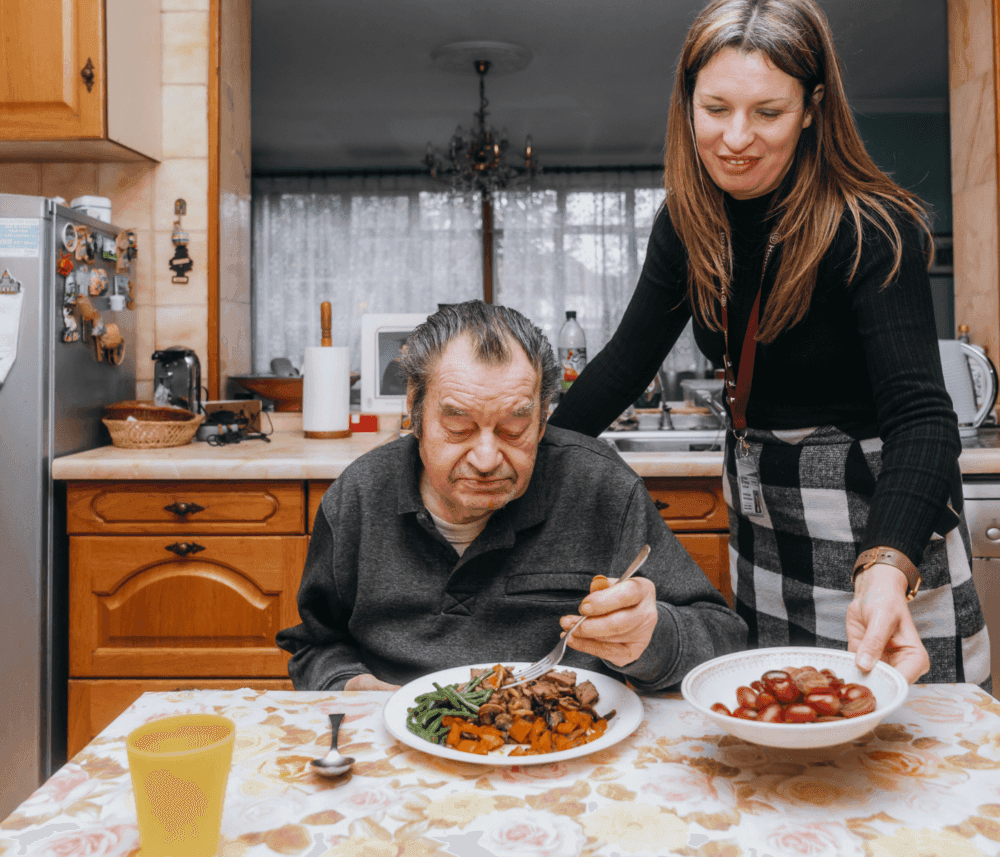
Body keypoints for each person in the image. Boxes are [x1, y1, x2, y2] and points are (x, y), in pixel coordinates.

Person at [549, 0, 991, 690]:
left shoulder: (876, 226)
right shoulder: (687, 226)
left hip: (884, 520)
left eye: (768, 113)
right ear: (687, 103)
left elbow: (922, 418)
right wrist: (525, 452)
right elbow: (622, 367)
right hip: (767, 522)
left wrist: (886, 569)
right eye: (715, 108)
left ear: (813, 108)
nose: (735, 138)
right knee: (780, 731)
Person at [276, 300, 747, 692]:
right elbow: (316, 645)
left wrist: (653, 637)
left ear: (542, 418)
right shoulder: (358, 496)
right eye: (458, 427)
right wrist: (349, 685)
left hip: (565, 751)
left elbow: (724, 640)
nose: (485, 458)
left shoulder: (600, 488)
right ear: (415, 408)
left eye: (514, 428)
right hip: (398, 749)